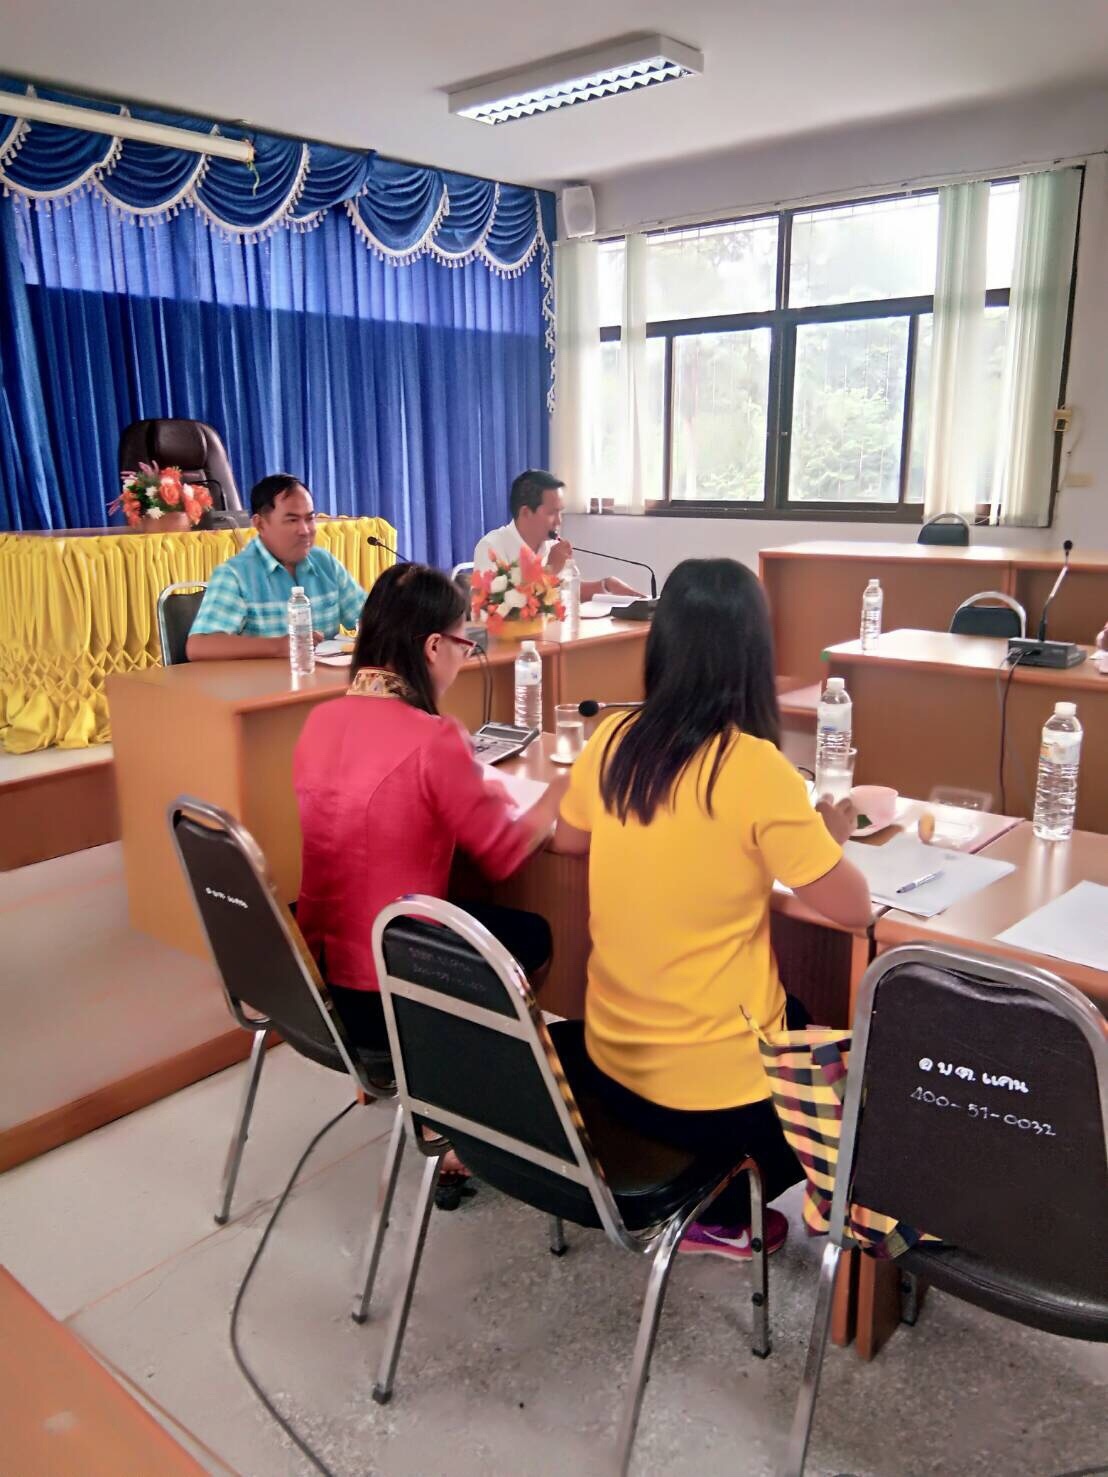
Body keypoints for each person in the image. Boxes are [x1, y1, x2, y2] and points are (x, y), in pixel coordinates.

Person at [551, 558, 872, 1261]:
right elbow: (855, 910)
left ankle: (707, 1197)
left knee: (796, 1008)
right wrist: (829, 835)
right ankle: (724, 1209)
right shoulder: (757, 769)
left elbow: (567, 840)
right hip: (720, 1107)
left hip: (611, 1069)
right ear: (753, 655)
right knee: (844, 1063)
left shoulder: (611, 741)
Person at [294, 562, 566, 1060]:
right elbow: (502, 853)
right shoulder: (433, 738)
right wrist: (557, 794)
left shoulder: (319, 721)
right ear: (434, 647)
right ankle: (463, 1071)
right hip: (389, 989)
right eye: (464, 644)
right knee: (532, 935)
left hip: (316, 980)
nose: (464, 657)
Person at [186, 474, 368, 660]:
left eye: (309, 518)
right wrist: (279, 646)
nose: (305, 530)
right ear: (260, 524)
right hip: (264, 678)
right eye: (292, 520)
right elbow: (199, 646)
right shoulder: (235, 574)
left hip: (325, 677)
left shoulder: (325, 563)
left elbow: (371, 619)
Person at [473, 469, 641, 601]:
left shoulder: (551, 545)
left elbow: (569, 590)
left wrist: (606, 585)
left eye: (560, 512)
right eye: (552, 513)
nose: (559, 521)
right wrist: (550, 570)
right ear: (525, 512)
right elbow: (499, 607)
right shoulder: (491, 547)